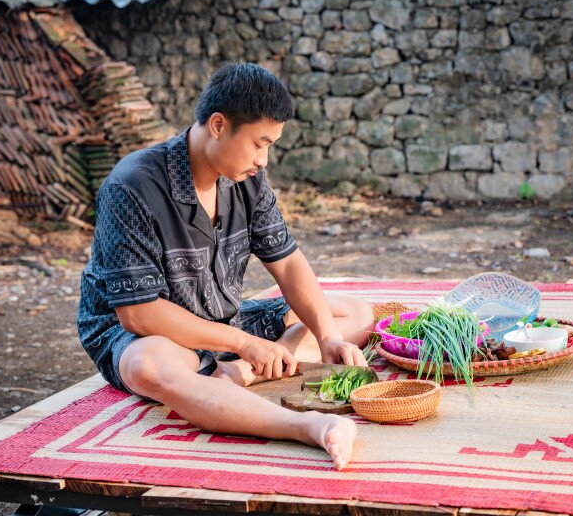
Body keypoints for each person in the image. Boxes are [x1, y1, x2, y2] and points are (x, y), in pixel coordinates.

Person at [77, 63, 374, 470]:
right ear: (218, 125)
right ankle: (307, 427)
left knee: (351, 313)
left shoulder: (247, 179)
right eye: (259, 143)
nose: (264, 160)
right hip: (151, 335)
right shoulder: (131, 186)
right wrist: (243, 343)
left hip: (220, 323)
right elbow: (138, 313)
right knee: (148, 366)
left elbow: (287, 265)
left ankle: (246, 372)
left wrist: (326, 337)